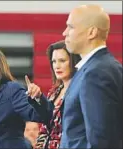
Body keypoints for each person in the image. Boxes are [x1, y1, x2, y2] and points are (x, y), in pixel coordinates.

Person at [60, 4, 123, 148]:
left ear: (92, 32)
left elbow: (101, 139)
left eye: (71, 27)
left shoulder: (95, 73)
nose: (65, 32)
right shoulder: (107, 67)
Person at [25, 40, 81, 149]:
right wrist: (38, 97)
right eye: (54, 61)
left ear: (73, 62)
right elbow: (46, 126)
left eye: (62, 60)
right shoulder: (54, 92)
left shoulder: (80, 90)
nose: (57, 66)